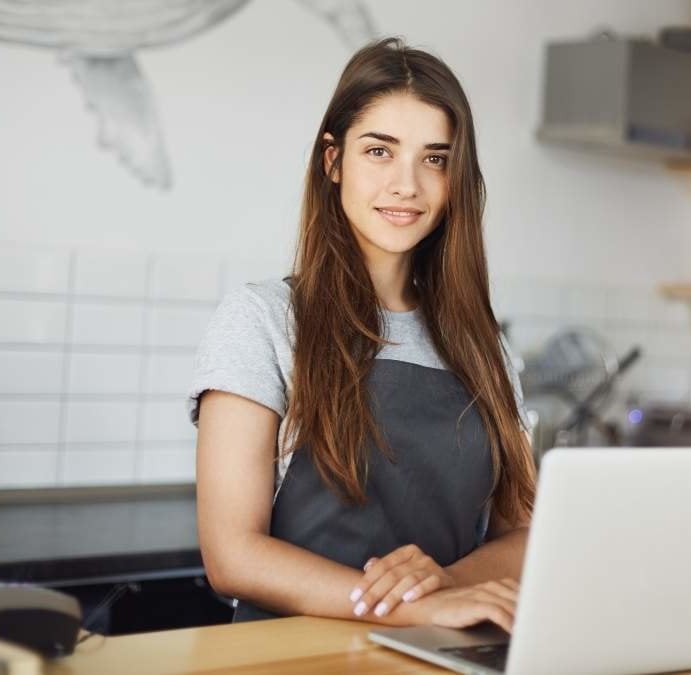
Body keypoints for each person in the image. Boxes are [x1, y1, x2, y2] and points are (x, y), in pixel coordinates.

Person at [188, 37, 535, 632]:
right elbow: (232, 556)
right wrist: (411, 606)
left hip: (435, 652)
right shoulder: (263, 318)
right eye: (379, 151)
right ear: (333, 161)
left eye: (434, 159)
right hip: (286, 659)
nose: (407, 185)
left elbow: (524, 534)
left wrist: (441, 585)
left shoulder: (485, 346)